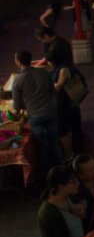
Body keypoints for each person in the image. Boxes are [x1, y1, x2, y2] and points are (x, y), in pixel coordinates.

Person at [12, 50, 62, 183]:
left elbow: (17, 105)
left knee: (41, 144)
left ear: (18, 62)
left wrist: (26, 104)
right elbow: (52, 90)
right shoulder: (43, 72)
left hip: (35, 115)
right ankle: (62, 165)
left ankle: (46, 173)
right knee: (54, 140)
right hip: (50, 111)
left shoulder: (18, 80)